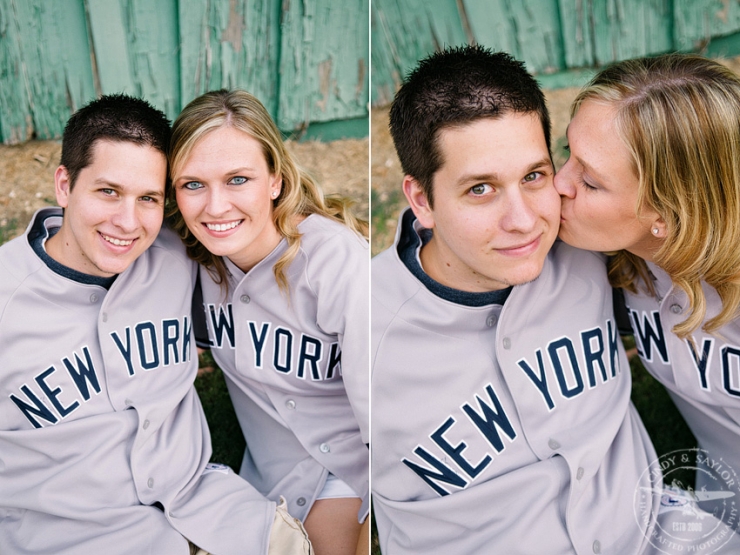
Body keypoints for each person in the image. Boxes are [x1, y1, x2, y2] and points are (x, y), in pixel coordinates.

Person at [371, 44, 664, 554]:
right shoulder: (356, 328)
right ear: (422, 199)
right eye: (480, 189)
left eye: (534, 176)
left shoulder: (585, 247)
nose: (524, 220)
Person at [0, 94, 310, 554]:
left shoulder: (176, 256)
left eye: (147, 197)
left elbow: (261, 237)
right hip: (78, 539)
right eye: (108, 191)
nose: (127, 223)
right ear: (64, 185)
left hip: (212, 511)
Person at [167, 89, 369, 555]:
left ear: (275, 179)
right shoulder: (187, 260)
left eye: (238, 179)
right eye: (193, 184)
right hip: (258, 481)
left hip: (341, 473)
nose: (215, 207)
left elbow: (381, 414)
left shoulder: (333, 262)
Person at [555, 53, 740, 529]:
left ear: (668, 214)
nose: (559, 183)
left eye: (590, 182)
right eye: (566, 152)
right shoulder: (615, 257)